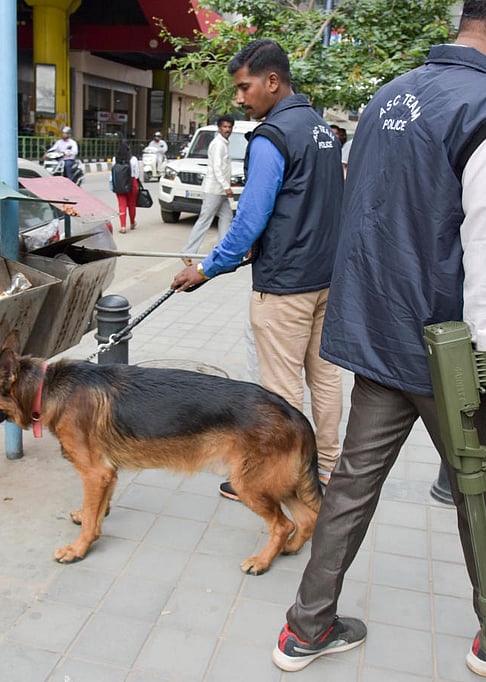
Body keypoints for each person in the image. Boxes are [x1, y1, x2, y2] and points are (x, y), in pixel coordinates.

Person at [272, 0, 486, 676]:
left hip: (380, 336)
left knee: (351, 485)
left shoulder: (391, 96)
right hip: (448, 355)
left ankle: (306, 629)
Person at [171, 39, 344, 490]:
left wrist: (205, 269)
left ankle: (285, 481)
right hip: (327, 279)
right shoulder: (322, 129)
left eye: (245, 87)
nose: (240, 98)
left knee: (281, 392)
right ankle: (327, 466)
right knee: (325, 379)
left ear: (272, 81)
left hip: (286, 286)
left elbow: (250, 219)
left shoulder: (271, 136)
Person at [180, 115, 236, 262]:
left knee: (227, 218)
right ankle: (188, 252)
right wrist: (226, 186)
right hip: (214, 189)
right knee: (205, 220)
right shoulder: (218, 144)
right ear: (219, 128)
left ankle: (223, 252)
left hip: (220, 190)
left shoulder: (224, 143)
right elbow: (217, 168)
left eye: (229, 127)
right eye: (224, 127)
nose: (227, 130)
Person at [112, 140, 140, 233]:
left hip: (119, 184)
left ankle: (123, 226)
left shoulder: (114, 159)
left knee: (121, 205)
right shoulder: (134, 159)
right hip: (132, 183)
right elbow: (136, 174)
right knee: (132, 204)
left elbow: (112, 173)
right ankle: (132, 223)